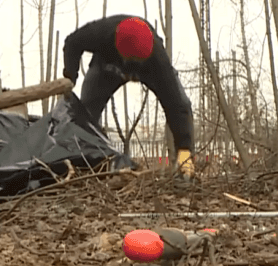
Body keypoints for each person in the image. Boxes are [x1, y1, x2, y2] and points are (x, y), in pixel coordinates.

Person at [62, 15, 196, 177]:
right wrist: (70, 77)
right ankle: (84, 161)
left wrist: (184, 149)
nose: (131, 75)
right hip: (107, 67)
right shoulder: (101, 33)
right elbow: (72, 43)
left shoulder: (158, 60)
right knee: (85, 112)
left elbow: (176, 105)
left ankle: (184, 166)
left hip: (149, 67)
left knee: (182, 102)